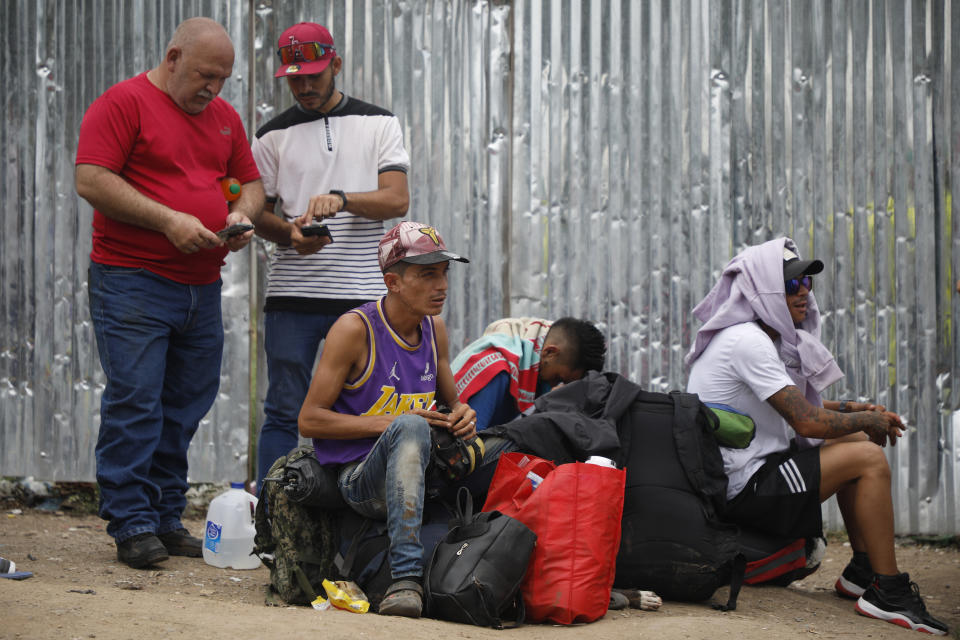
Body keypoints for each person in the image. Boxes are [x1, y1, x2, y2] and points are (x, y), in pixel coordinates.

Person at [75, 17, 265, 569]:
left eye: (224, 79)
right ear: (174, 56)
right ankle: (130, 522)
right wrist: (167, 220)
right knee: (136, 400)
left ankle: (161, 514)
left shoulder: (223, 118)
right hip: (131, 280)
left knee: (184, 404)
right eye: (205, 75)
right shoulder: (123, 104)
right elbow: (92, 178)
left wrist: (241, 214)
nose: (213, 88)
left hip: (200, 287)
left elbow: (249, 183)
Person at [686, 238, 948, 635]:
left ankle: (863, 571)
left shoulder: (758, 336)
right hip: (744, 488)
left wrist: (856, 413)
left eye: (807, 283)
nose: (804, 292)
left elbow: (797, 409)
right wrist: (865, 421)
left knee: (856, 445)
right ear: (764, 292)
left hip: (757, 469)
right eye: (792, 285)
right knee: (868, 458)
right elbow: (806, 422)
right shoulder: (747, 342)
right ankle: (889, 592)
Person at [298, 221, 514, 618]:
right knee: (411, 426)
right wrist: (393, 422)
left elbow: (453, 403)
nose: (442, 285)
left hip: (422, 471)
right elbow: (309, 421)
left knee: (512, 444)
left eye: (444, 272)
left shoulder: (435, 329)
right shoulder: (353, 329)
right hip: (361, 480)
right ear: (393, 282)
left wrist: (462, 416)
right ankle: (404, 578)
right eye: (427, 274)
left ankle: (510, 555)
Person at [250, 22, 410, 491]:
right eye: (294, 79)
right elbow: (256, 213)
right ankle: (274, 519)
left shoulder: (379, 123)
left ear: (336, 66)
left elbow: (396, 200)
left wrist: (341, 199)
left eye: (314, 77)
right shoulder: (271, 134)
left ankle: (354, 507)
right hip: (292, 293)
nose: (304, 87)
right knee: (283, 408)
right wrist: (289, 234)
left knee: (362, 407)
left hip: (361, 296)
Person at [452, 317, 607, 431]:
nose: (557, 387)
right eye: (559, 379)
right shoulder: (496, 371)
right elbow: (469, 444)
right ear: (550, 352)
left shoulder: (534, 365)